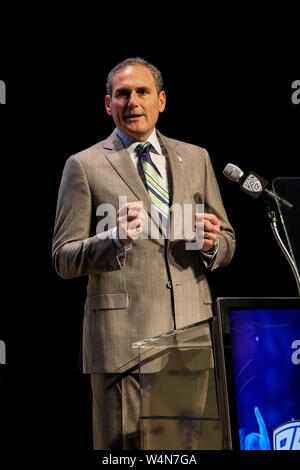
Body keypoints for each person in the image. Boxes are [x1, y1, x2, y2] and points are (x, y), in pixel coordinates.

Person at [52, 57, 236, 450]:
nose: (132, 101)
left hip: (188, 343)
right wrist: (113, 239)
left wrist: (213, 245)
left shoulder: (197, 157)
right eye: (122, 94)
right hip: (122, 348)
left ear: (161, 100)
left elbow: (228, 240)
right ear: (108, 104)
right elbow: (63, 258)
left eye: (142, 92)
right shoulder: (83, 166)